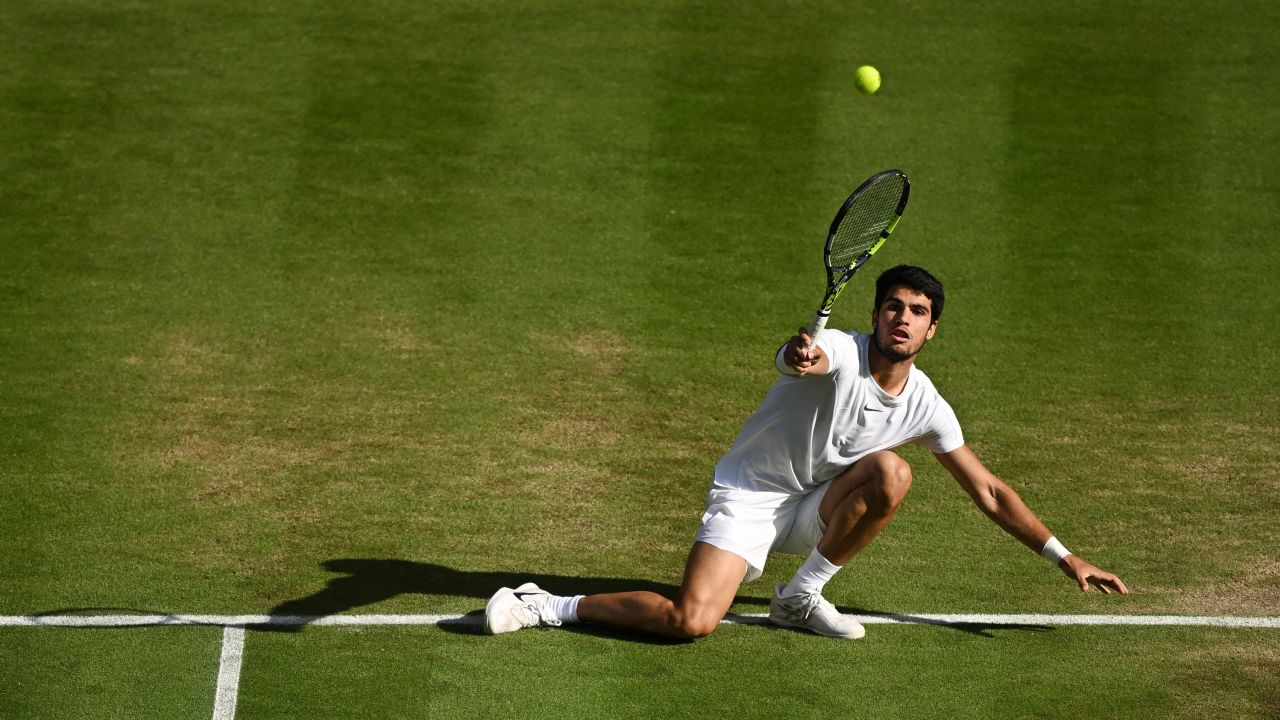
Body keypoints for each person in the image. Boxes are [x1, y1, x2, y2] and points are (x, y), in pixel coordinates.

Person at [484, 265, 1129, 640]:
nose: (902, 319)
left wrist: (1066, 557)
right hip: (752, 496)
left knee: (893, 471)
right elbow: (805, 358)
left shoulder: (927, 403)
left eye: (918, 312)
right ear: (875, 316)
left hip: (817, 509)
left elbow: (989, 490)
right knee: (692, 621)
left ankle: (800, 597)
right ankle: (544, 604)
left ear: (933, 329)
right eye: (893, 308)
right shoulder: (840, 352)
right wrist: (799, 355)